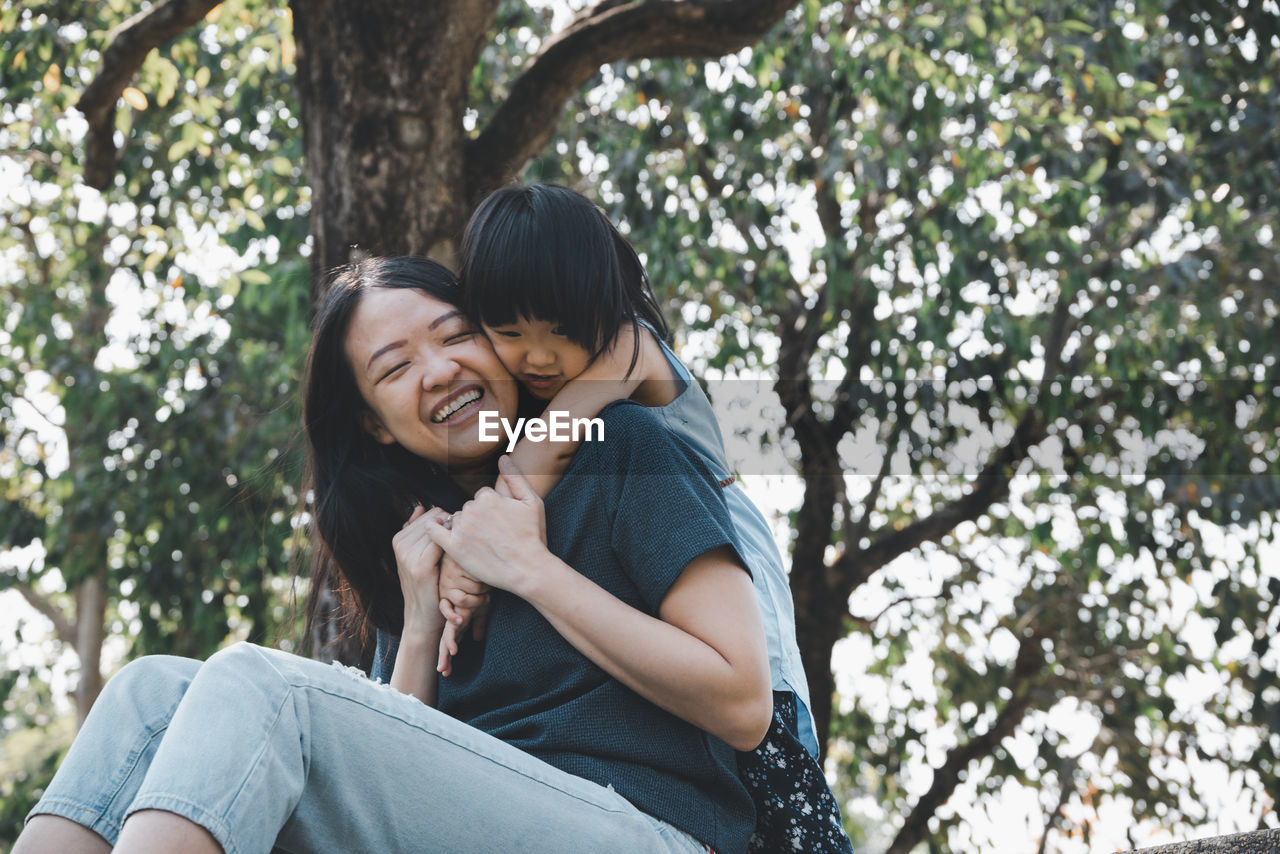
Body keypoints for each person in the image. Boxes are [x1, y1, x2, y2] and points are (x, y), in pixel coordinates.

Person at [16, 256, 772, 854]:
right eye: (395, 367)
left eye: (454, 335)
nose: (439, 370)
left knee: (262, 684)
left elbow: (743, 704)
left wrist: (534, 572)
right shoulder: (424, 544)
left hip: (651, 830)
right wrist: (414, 623)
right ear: (375, 426)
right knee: (147, 694)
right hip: (493, 820)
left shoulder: (624, 449)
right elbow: (391, 797)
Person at [441, 181, 853, 853]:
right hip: (651, 565)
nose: (538, 357)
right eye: (510, 333)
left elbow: (538, 459)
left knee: (771, 738)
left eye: (562, 334)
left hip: (716, 543)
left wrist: (475, 563)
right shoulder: (526, 402)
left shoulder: (630, 349)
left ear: (604, 310)